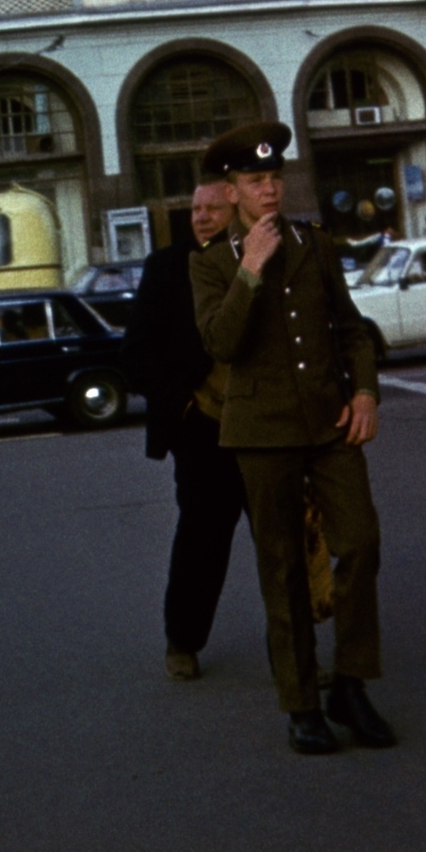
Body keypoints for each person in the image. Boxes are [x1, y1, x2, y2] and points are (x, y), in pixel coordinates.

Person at [190, 121, 394, 757]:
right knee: (283, 571)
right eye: (256, 181)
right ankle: (301, 703)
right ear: (232, 192)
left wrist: (364, 392)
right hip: (262, 433)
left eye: (276, 177)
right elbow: (222, 344)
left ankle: (352, 685)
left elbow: (353, 330)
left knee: (360, 543)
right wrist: (249, 268)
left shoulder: (314, 244)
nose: (270, 189)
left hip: (328, 424)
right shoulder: (210, 264)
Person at [123, 183, 249, 681]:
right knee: (202, 539)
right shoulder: (166, 268)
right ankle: (183, 640)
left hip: (264, 423)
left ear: (235, 210)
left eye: (212, 208)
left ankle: (294, 647)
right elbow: (135, 357)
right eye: (194, 208)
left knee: (280, 541)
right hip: (203, 430)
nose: (200, 217)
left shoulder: (258, 260)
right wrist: (182, 407)